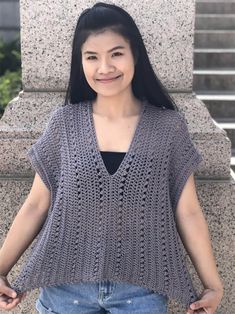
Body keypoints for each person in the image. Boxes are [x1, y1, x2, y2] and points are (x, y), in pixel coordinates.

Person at [0, 2, 224, 314]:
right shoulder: (65, 123)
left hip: (141, 294)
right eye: (92, 57)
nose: (104, 67)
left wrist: (212, 284)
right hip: (65, 291)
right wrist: (1, 269)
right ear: (81, 62)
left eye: (116, 53)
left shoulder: (168, 127)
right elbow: (37, 205)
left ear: (135, 55)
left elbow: (188, 212)